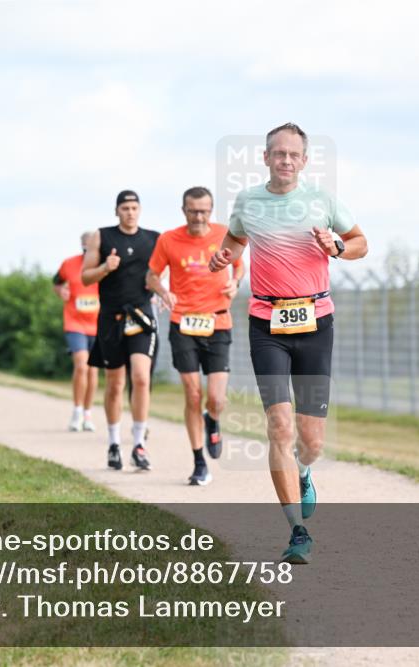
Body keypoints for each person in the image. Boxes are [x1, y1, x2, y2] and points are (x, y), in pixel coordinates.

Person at [210, 122, 368, 564]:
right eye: (278, 153)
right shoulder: (248, 202)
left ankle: (303, 470)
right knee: (278, 428)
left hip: (316, 323)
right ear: (265, 158)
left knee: (311, 440)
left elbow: (361, 243)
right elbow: (235, 241)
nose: (285, 161)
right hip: (267, 325)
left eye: (293, 154)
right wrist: (222, 257)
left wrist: (335, 245)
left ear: (304, 160)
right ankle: (297, 530)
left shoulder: (322, 200)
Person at [147, 186, 245, 486]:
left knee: (215, 398)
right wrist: (164, 292)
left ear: (211, 210)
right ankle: (199, 461)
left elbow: (239, 266)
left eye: (204, 210)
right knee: (192, 394)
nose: (199, 216)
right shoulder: (169, 239)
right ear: (184, 210)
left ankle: (212, 420)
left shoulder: (225, 234)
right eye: (193, 211)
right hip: (183, 323)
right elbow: (151, 276)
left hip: (218, 322)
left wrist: (235, 283)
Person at [83, 190, 160, 471]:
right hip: (110, 319)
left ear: (140, 210)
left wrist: (164, 292)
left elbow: (164, 273)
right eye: (125, 208)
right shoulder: (102, 236)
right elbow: (85, 275)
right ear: (117, 211)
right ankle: (114, 443)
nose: (130, 212)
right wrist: (105, 267)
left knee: (140, 377)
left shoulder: (154, 238)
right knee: (115, 384)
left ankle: (139, 444)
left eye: (134, 207)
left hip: (140, 318)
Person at [54, 232, 100, 432]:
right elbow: (56, 282)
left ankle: (88, 413)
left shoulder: (104, 266)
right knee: (81, 365)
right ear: (82, 244)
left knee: (93, 370)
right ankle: (77, 411)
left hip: (98, 324)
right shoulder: (69, 264)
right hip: (75, 323)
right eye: (86, 245)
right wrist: (61, 291)